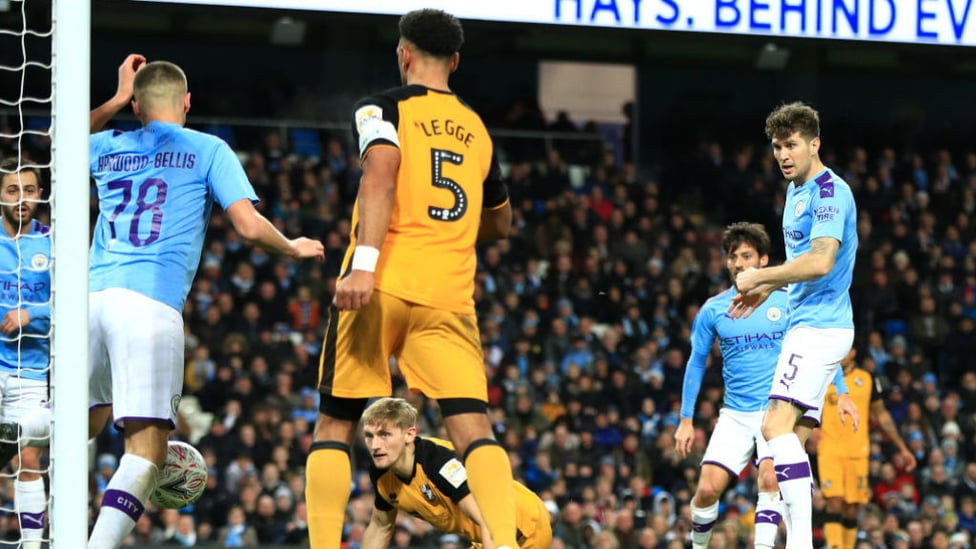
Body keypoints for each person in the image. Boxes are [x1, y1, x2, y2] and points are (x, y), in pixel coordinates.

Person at [85, 55, 324, 549]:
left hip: (89, 301)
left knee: (83, 424)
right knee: (146, 451)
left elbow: (54, 147)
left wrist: (111, 101)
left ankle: (21, 427)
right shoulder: (209, 148)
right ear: (188, 102)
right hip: (149, 305)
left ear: (135, 105)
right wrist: (294, 247)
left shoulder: (107, 143)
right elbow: (248, 226)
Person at [305, 9, 515, 549]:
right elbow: (501, 221)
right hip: (449, 296)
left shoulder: (383, 107)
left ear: (403, 53)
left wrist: (365, 265)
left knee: (334, 425)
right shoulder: (478, 128)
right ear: (456, 61)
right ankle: (503, 543)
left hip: (383, 285)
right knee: (473, 429)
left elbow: (381, 172)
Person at [731, 101, 859, 549]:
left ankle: (802, 543)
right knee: (785, 453)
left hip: (819, 328)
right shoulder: (796, 190)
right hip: (810, 322)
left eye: (791, 145)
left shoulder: (828, 193)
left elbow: (822, 261)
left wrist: (761, 276)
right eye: (777, 146)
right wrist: (771, 290)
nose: (783, 154)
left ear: (814, 143)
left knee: (773, 428)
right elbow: (804, 268)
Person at [675, 222, 850, 549]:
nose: (738, 263)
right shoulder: (713, 310)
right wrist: (685, 420)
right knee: (707, 490)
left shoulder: (787, 302)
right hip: (737, 414)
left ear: (764, 261)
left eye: (746, 255)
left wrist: (842, 392)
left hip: (778, 409)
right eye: (732, 256)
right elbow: (696, 362)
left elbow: (817, 345)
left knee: (771, 479)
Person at [359, 398, 552, 548]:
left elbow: (488, 521)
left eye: (385, 435)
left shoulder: (438, 462)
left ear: (409, 434)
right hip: (485, 535)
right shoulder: (381, 473)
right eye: (369, 436)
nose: (375, 446)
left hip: (522, 528)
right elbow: (380, 526)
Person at [818, 348, 917, 549]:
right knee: (834, 501)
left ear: (853, 352)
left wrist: (902, 448)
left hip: (857, 452)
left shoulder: (867, 378)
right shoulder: (822, 377)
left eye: (844, 351)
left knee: (852, 507)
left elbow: (882, 415)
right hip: (829, 450)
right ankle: (835, 545)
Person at [0, 158, 50, 548]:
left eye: (29, 191)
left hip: (29, 372)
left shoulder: (52, 244)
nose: (22, 199)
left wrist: (29, 314)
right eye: (13, 190)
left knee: (29, 459)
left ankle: (32, 545)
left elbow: (73, 303)